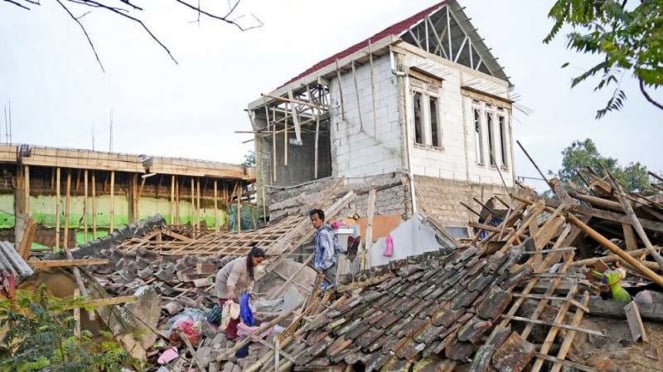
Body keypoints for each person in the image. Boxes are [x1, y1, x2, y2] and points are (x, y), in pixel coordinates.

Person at [214, 246, 266, 339]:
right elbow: (231, 280)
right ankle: (231, 334)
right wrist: (230, 292)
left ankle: (238, 329)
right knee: (229, 307)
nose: (259, 264)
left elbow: (251, 281)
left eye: (260, 262)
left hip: (236, 285)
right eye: (258, 261)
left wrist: (249, 291)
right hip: (224, 282)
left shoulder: (254, 267)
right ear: (252, 257)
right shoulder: (240, 264)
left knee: (237, 306)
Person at [309, 208, 337, 288]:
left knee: (329, 291)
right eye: (312, 220)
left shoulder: (323, 233)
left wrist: (321, 267)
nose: (314, 222)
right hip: (324, 269)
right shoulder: (319, 233)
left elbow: (328, 254)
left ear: (321, 219)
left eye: (316, 219)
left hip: (327, 269)